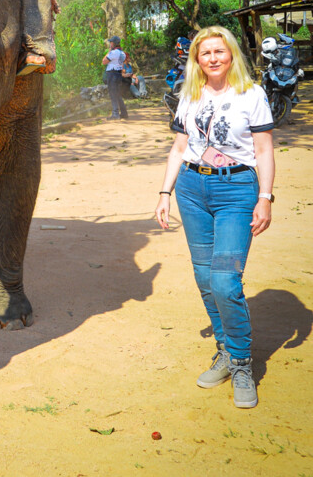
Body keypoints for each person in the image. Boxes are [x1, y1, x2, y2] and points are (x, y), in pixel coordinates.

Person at [154, 25, 275, 409]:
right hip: (192, 190)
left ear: (231, 54)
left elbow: (264, 150)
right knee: (205, 278)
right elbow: (179, 148)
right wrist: (165, 193)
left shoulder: (251, 94)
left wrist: (265, 197)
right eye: (205, 53)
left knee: (224, 280)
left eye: (219, 51)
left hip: (236, 191)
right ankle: (224, 350)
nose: (213, 58)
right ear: (196, 59)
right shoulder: (189, 94)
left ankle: (240, 363)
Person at [102, 35, 128, 120]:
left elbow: (104, 61)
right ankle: (124, 113)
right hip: (118, 74)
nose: (110, 44)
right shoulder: (122, 53)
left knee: (113, 94)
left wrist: (109, 50)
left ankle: (115, 114)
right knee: (118, 94)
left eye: (111, 43)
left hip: (112, 74)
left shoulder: (113, 53)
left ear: (113, 43)